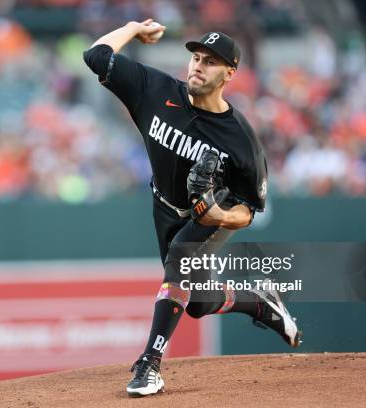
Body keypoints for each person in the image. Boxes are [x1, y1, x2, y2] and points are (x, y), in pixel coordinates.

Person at [83, 19, 302, 398]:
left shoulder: (241, 140)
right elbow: (96, 55)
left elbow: (249, 210)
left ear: (229, 74)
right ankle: (260, 305)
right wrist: (134, 28)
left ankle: (149, 363)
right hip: (165, 205)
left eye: (211, 61)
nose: (199, 65)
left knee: (178, 262)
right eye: (197, 57)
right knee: (198, 302)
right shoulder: (155, 90)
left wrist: (219, 216)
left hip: (211, 213)